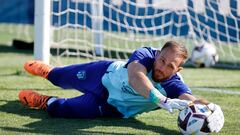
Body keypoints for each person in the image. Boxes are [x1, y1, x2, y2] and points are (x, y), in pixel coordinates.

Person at [18, 41, 224, 133]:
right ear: (157, 54)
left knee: (62, 110)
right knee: (59, 76)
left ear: (178, 70)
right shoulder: (145, 54)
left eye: (170, 66)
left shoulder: (174, 83)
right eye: (161, 60)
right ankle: (48, 72)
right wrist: (159, 99)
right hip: (103, 74)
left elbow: (190, 100)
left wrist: (211, 110)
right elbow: (136, 76)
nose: (162, 67)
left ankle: (44, 101)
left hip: (111, 107)